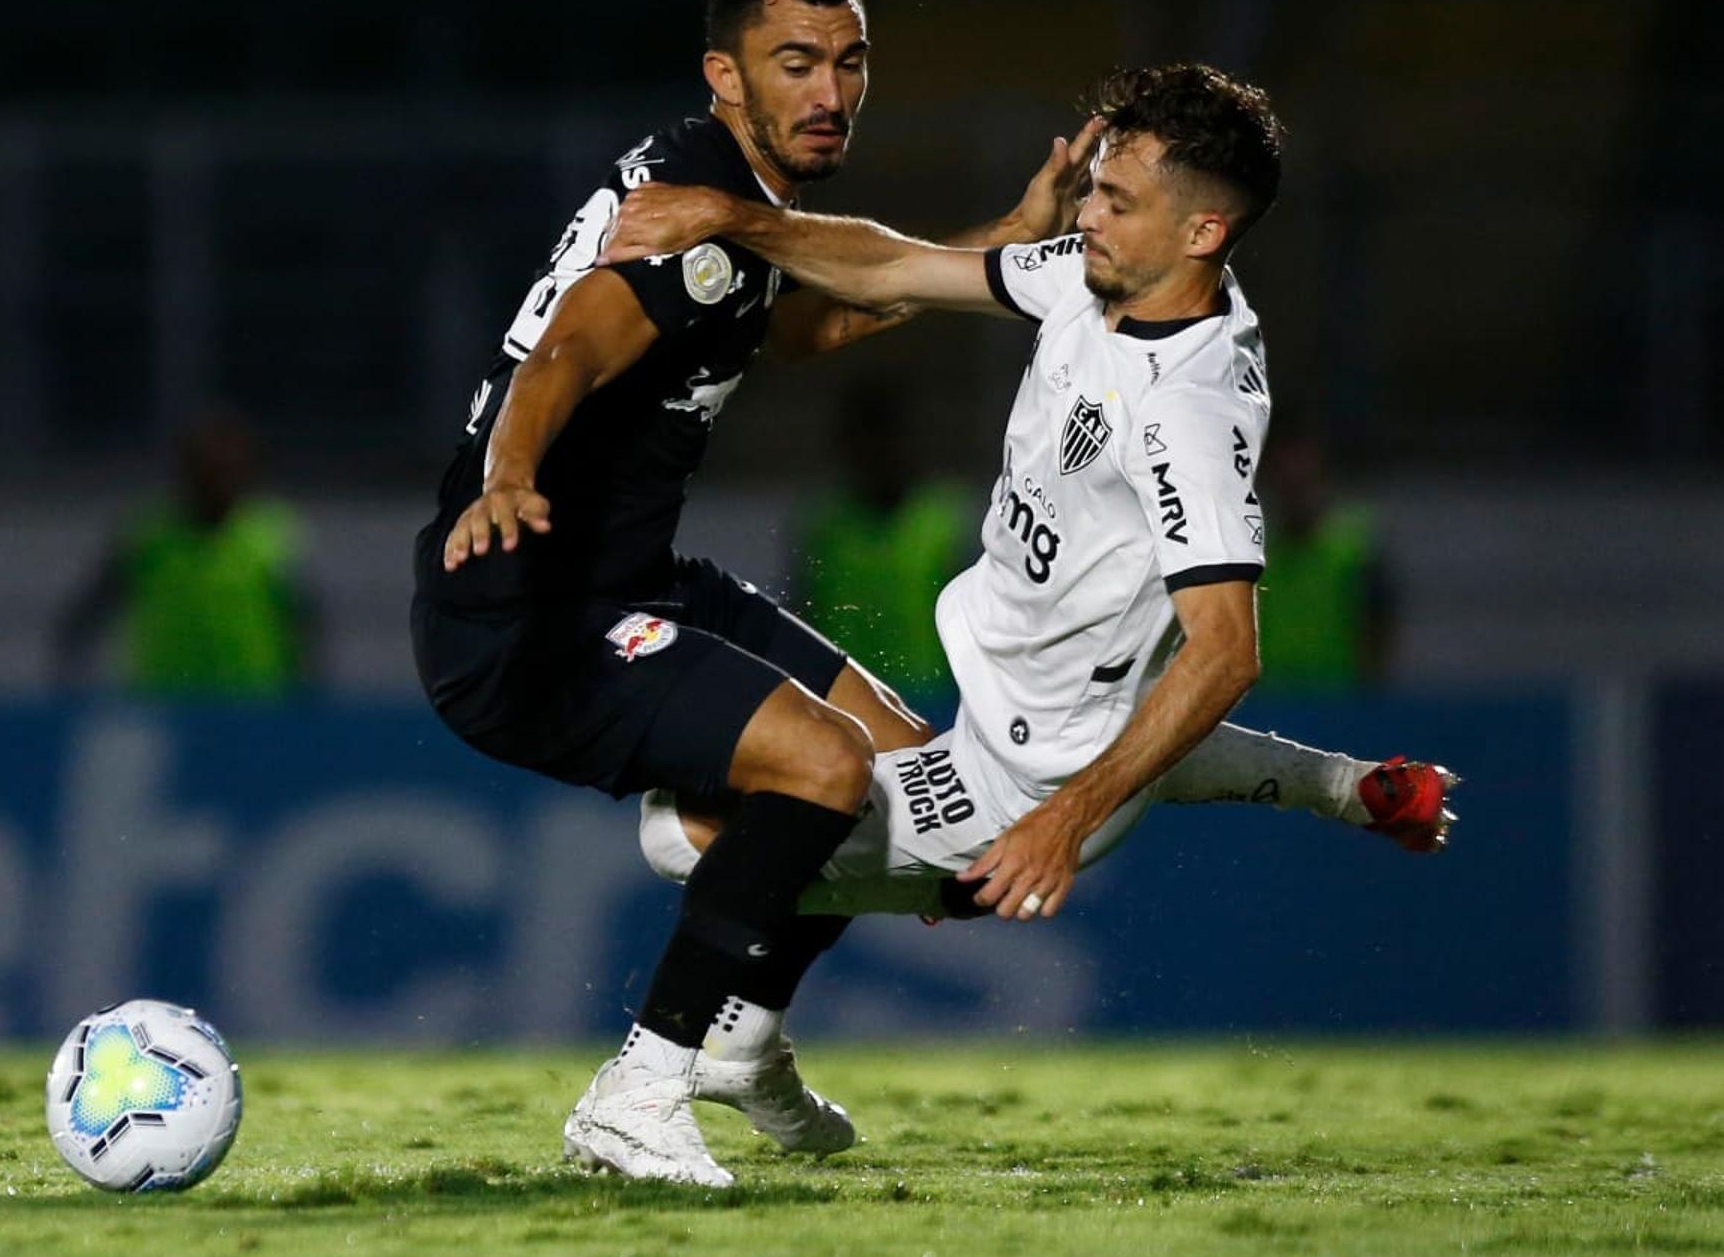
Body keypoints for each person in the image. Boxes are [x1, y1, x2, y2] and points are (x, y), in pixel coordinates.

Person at [410, 0, 1102, 1189]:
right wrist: (510, 470)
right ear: (725, 75)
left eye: (850, 60)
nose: (830, 91)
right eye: (796, 62)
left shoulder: (735, 201)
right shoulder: (690, 204)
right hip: (527, 605)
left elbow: (812, 319)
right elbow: (566, 349)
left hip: (632, 576)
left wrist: (1008, 230)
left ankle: (742, 1033)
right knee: (822, 768)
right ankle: (640, 1086)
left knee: (916, 780)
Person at [601, 62, 1455, 939]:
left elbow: (1228, 654)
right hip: (1011, 707)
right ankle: (1348, 788)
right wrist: (739, 219)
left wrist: (1063, 822)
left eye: (1117, 202)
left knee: (681, 833)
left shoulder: (1186, 412)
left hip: (1034, 780)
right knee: (1070, 710)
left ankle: (682, 1058)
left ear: (1202, 231)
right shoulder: (1099, 284)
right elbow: (897, 265)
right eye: (1096, 191)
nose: (1087, 215)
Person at [53, 412, 317, 697]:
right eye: (206, 472)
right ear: (185, 473)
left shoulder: (271, 538)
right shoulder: (148, 538)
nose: (216, 482)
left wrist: (304, 695)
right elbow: (89, 613)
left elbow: (303, 624)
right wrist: (70, 686)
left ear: (247, 474)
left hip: (253, 707)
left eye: (227, 471)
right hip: (165, 708)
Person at [793, 379, 976, 719]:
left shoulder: (943, 518)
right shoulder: (825, 524)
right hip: (844, 700)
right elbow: (801, 615)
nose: (878, 454)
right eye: (865, 443)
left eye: (886, 441)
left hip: (934, 702)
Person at [1252, 421, 1394, 691]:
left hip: (1339, 702)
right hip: (1269, 703)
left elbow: (1379, 627)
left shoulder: (1357, 546)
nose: (1295, 493)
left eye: (1303, 482)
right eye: (1286, 483)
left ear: (1321, 478)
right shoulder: (1252, 550)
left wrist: (1371, 693)